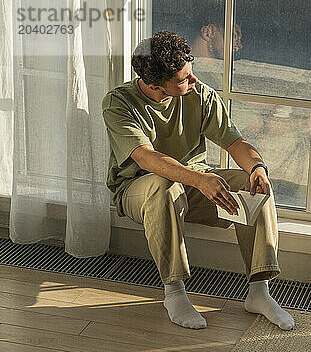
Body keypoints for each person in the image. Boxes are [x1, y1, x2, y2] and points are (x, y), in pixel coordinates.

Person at [101, 30, 294, 331]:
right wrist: (199, 180)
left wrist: (258, 168)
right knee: (163, 185)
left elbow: (235, 142)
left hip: (192, 185)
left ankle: (259, 292)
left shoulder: (199, 95)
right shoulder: (119, 103)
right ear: (155, 86)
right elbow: (146, 158)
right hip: (140, 189)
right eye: (183, 79)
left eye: (191, 73)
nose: (193, 81)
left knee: (252, 184)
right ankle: (174, 292)